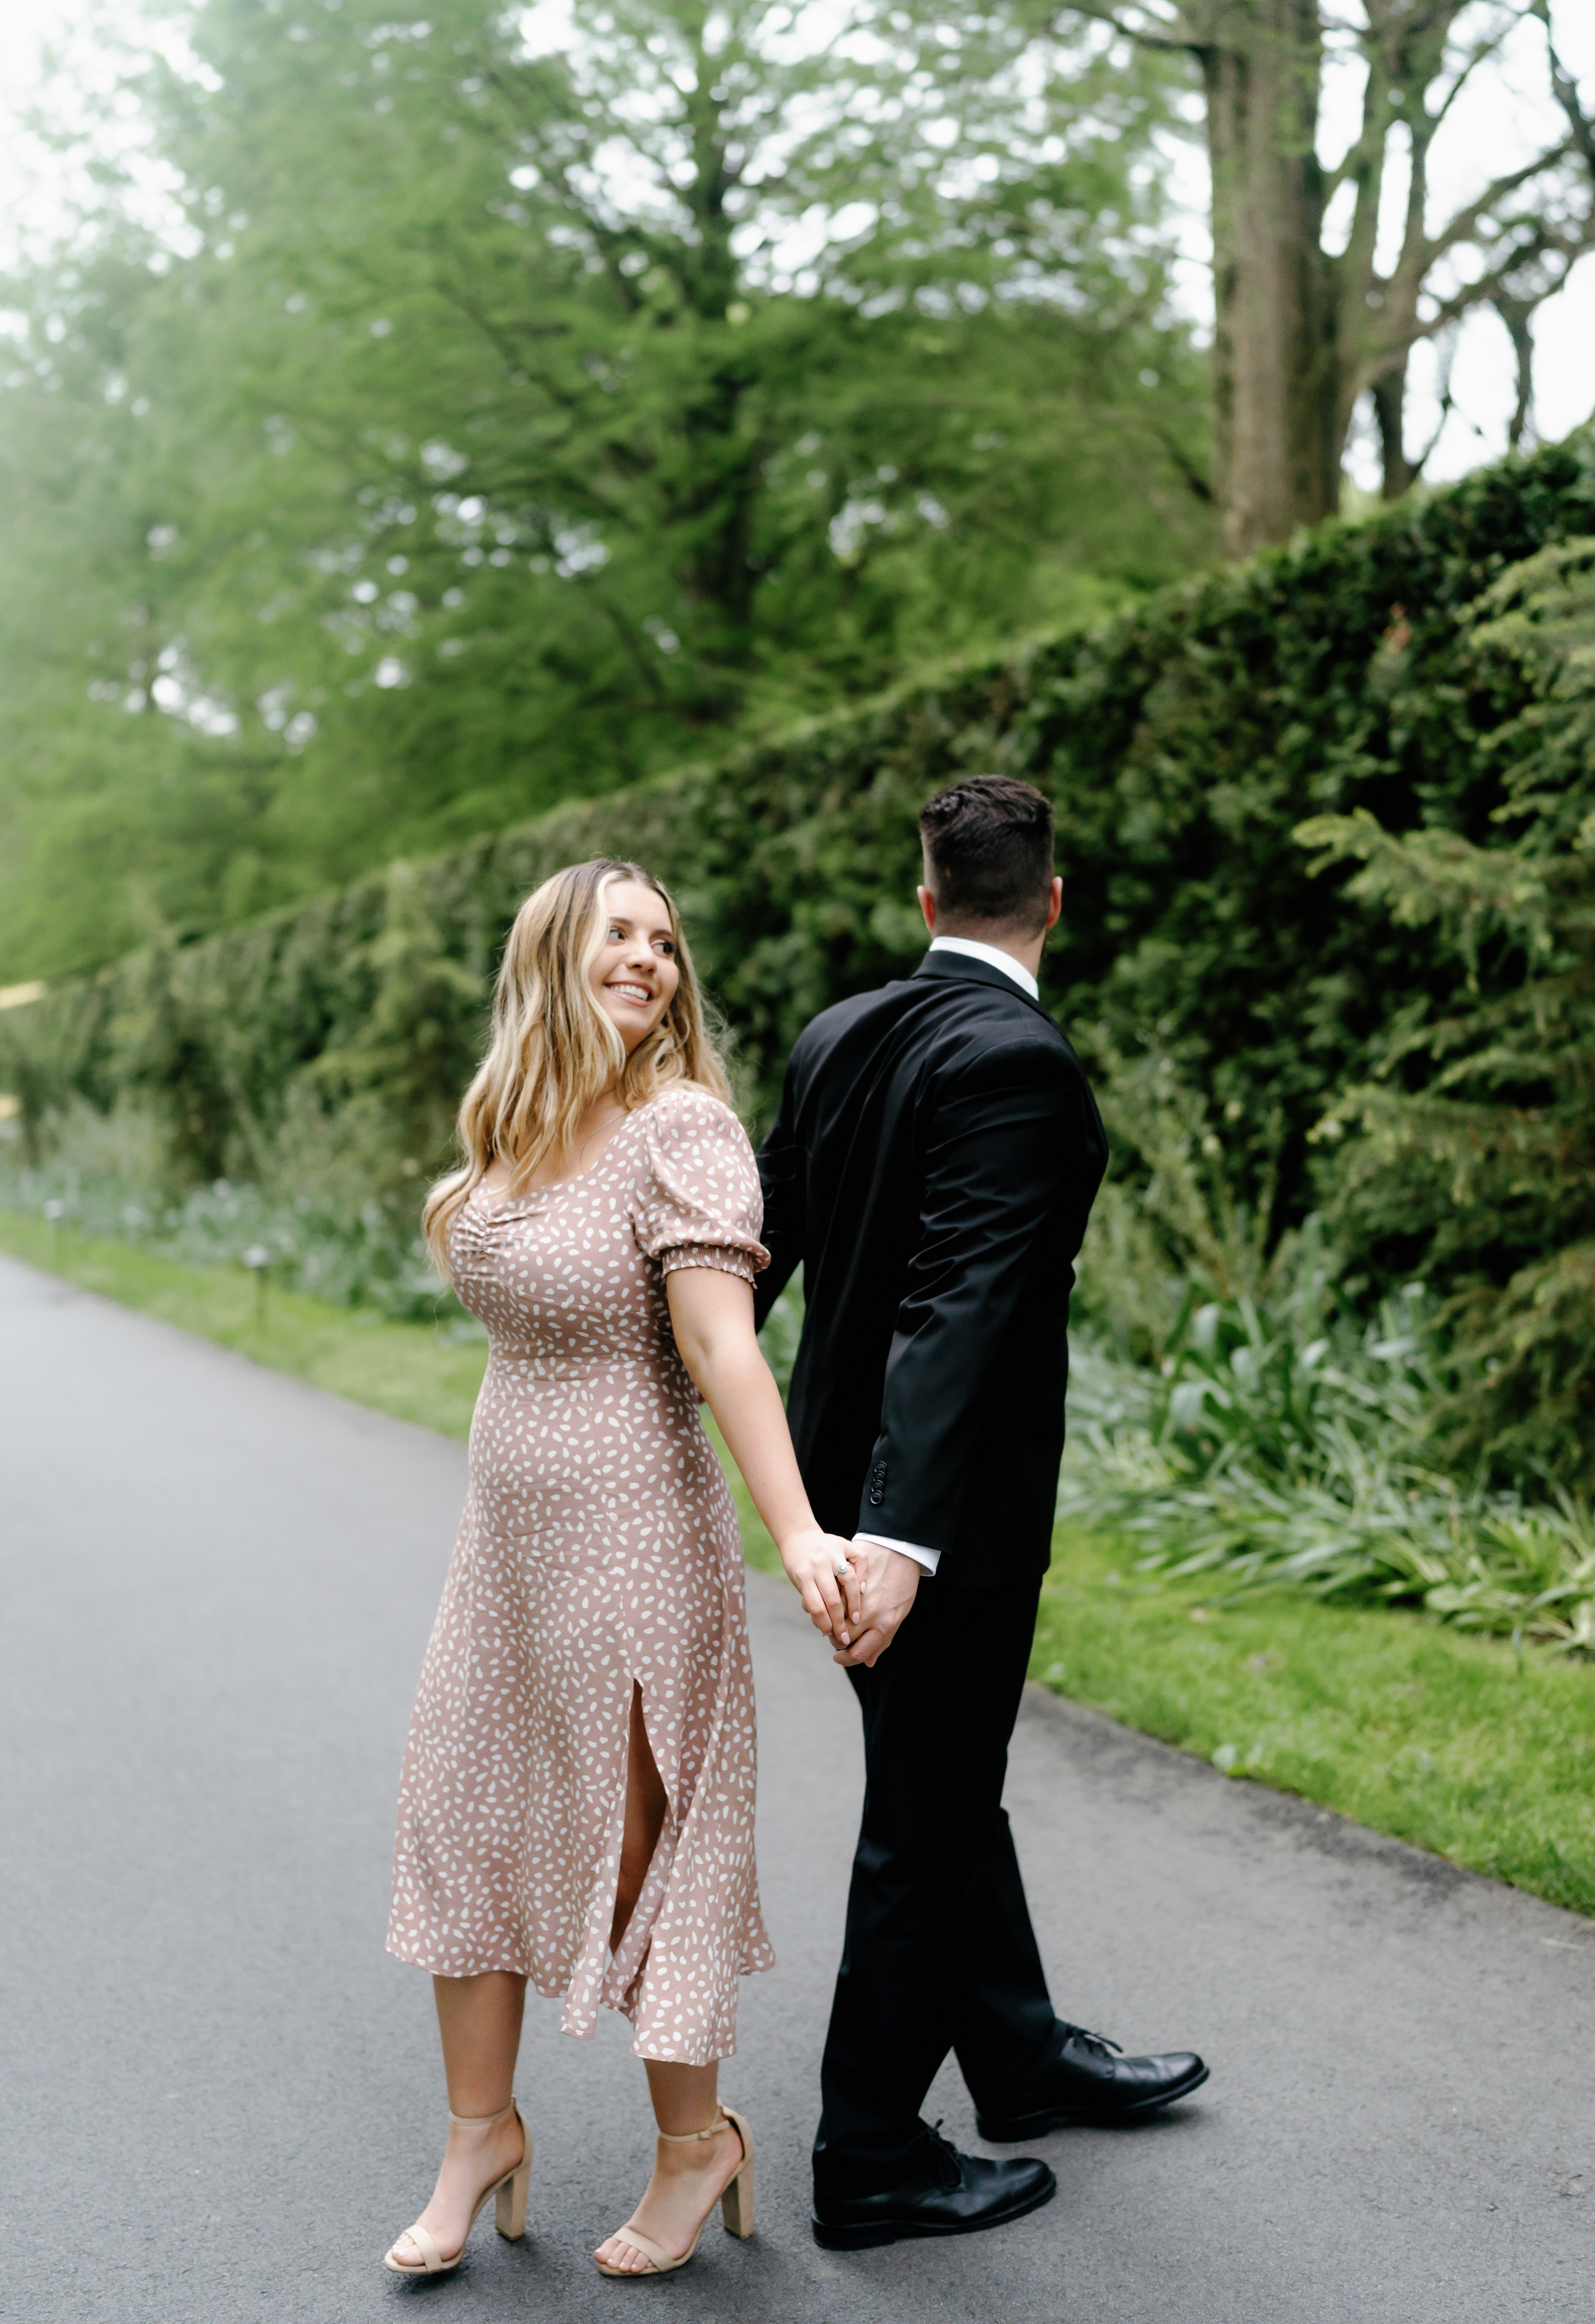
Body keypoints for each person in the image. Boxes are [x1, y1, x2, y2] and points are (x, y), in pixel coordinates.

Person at [382, 858, 864, 2281]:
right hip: (507, 1557)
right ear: (551, 957)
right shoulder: (513, 1125)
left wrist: (797, 1533)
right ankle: (481, 2134)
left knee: (641, 1856)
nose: (651, 959)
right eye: (620, 935)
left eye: (667, 942)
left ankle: (695, 2145)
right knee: (464, 1819)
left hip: (639, 1548)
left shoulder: (683, 1131)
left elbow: (724, 1349)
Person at [754, 774, 1208, 2252]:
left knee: (943, 1789)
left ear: (928, 896)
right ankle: (872, 2156)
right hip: (928, 1529)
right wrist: (899, 1538)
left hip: (842, 1497)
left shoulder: (836, 1034)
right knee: (924, 1820)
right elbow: (956, 1314)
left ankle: (1015, 2058)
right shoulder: (1021, 1059)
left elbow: (749, 1256)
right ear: (1055, 903)